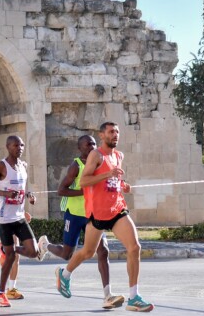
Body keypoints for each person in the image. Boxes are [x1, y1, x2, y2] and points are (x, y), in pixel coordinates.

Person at [55, 122, 154, 312]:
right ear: (102, 135)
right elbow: (84, 181)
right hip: (97, 213)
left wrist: (122, 184)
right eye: (111, 132)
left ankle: (134, 297)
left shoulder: (119, 155)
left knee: (134, 247)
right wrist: (108, 173)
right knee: (87, 252)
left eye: (117, 132)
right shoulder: (96, 155)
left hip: (117, 209)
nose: (115, 135)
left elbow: (112, 180)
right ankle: (64, 274)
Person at [38, 135, 124, 309]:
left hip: (94, 214)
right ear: (80, 148)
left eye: (93, 143)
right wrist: (83, 193)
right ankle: (46, 245)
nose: (92, 146)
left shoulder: (100, 163)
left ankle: (107, 295)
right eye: (87, 144)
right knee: (67, 254)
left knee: (103, 251)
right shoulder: (76, 166)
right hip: (75, 214)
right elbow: (61, 190)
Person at [0, 136, 43, 307]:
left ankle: (6, 248)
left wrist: (29, 195)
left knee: (32, 251)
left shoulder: (23, 166)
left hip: (19, 216)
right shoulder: (1, 166)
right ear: (8, 147)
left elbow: (21, 187)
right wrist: (5, 194)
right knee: (10, 258)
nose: (20, 147)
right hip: (3, 218)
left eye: (22, 145)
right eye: (16, 145)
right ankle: (1, 293)